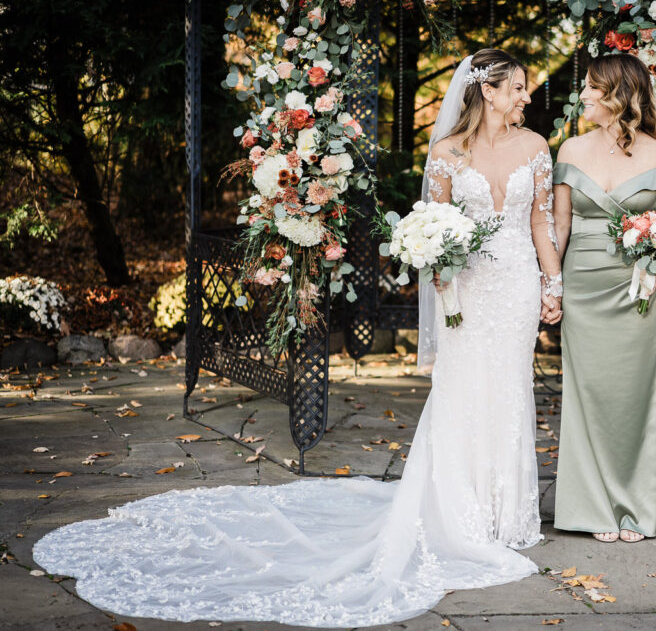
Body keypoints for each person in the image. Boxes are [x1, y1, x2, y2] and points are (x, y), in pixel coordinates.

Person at [32, 49, 563, 627]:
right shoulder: (445, 155)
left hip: (514, 285)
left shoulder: (536, 149)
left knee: (508, 389)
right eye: (517, 88)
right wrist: (436, 267)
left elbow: (539, 221)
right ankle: (457, 512)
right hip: (465, 285)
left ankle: (504, 516)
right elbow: (430, 227)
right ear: (488, 91)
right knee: (461, 391)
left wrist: (551, 286)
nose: (525, 98)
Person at [548, 53, 656, 544]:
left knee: (634, 397)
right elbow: (560, 225)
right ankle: (591, 507)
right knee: (587, 396)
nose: (583, 95)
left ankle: (634, 507)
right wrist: (552, 287)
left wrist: (654, 270)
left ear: (616, 96)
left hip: (639, 290)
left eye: (590, 87)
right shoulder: (569, 150)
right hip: (584, 286)